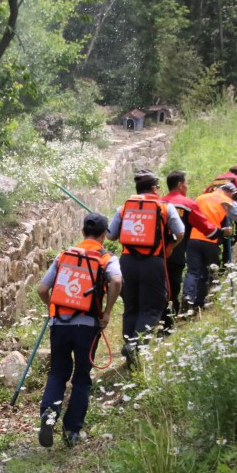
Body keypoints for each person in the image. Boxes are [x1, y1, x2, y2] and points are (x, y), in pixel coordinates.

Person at [36, 212, 122, 448]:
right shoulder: (106, 258)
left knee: (58, 373)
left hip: (60, 326)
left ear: (83, 232)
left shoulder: (64, 256)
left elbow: (43, 289)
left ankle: (49, 413)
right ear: (105, 235)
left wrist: (53, 308)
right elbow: (115, 281)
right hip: (88, 327)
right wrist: (107, 312)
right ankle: (72, 431)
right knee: (82, 378)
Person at [107, 169, 185, 360]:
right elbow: (180, 231)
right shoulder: (165, 207)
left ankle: (129, 347)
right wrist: (170, 246)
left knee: (131, 306)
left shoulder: (124, 208)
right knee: (152, 307)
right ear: (154, 188)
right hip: (153, 262)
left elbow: (110, 235)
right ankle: (136, 346)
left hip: (127, 262)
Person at [160, 170, 228, 331]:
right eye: (186, 183)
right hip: (174, 254)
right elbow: (208, 229)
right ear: (180, 185)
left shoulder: (158, 202)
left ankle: (156, 322)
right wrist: (221, 232)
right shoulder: (187, 204)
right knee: (173, 289)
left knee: (158, 287)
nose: (187, 186)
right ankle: (167, 327)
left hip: (154, 255)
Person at [182, 183, 237, 310]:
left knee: (192, 272)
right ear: (231, 193)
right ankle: (199, 303)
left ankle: (188, 297)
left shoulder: (201, 197)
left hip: (193, 238)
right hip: (211, 240)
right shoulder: (227, 201)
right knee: (208, 271)